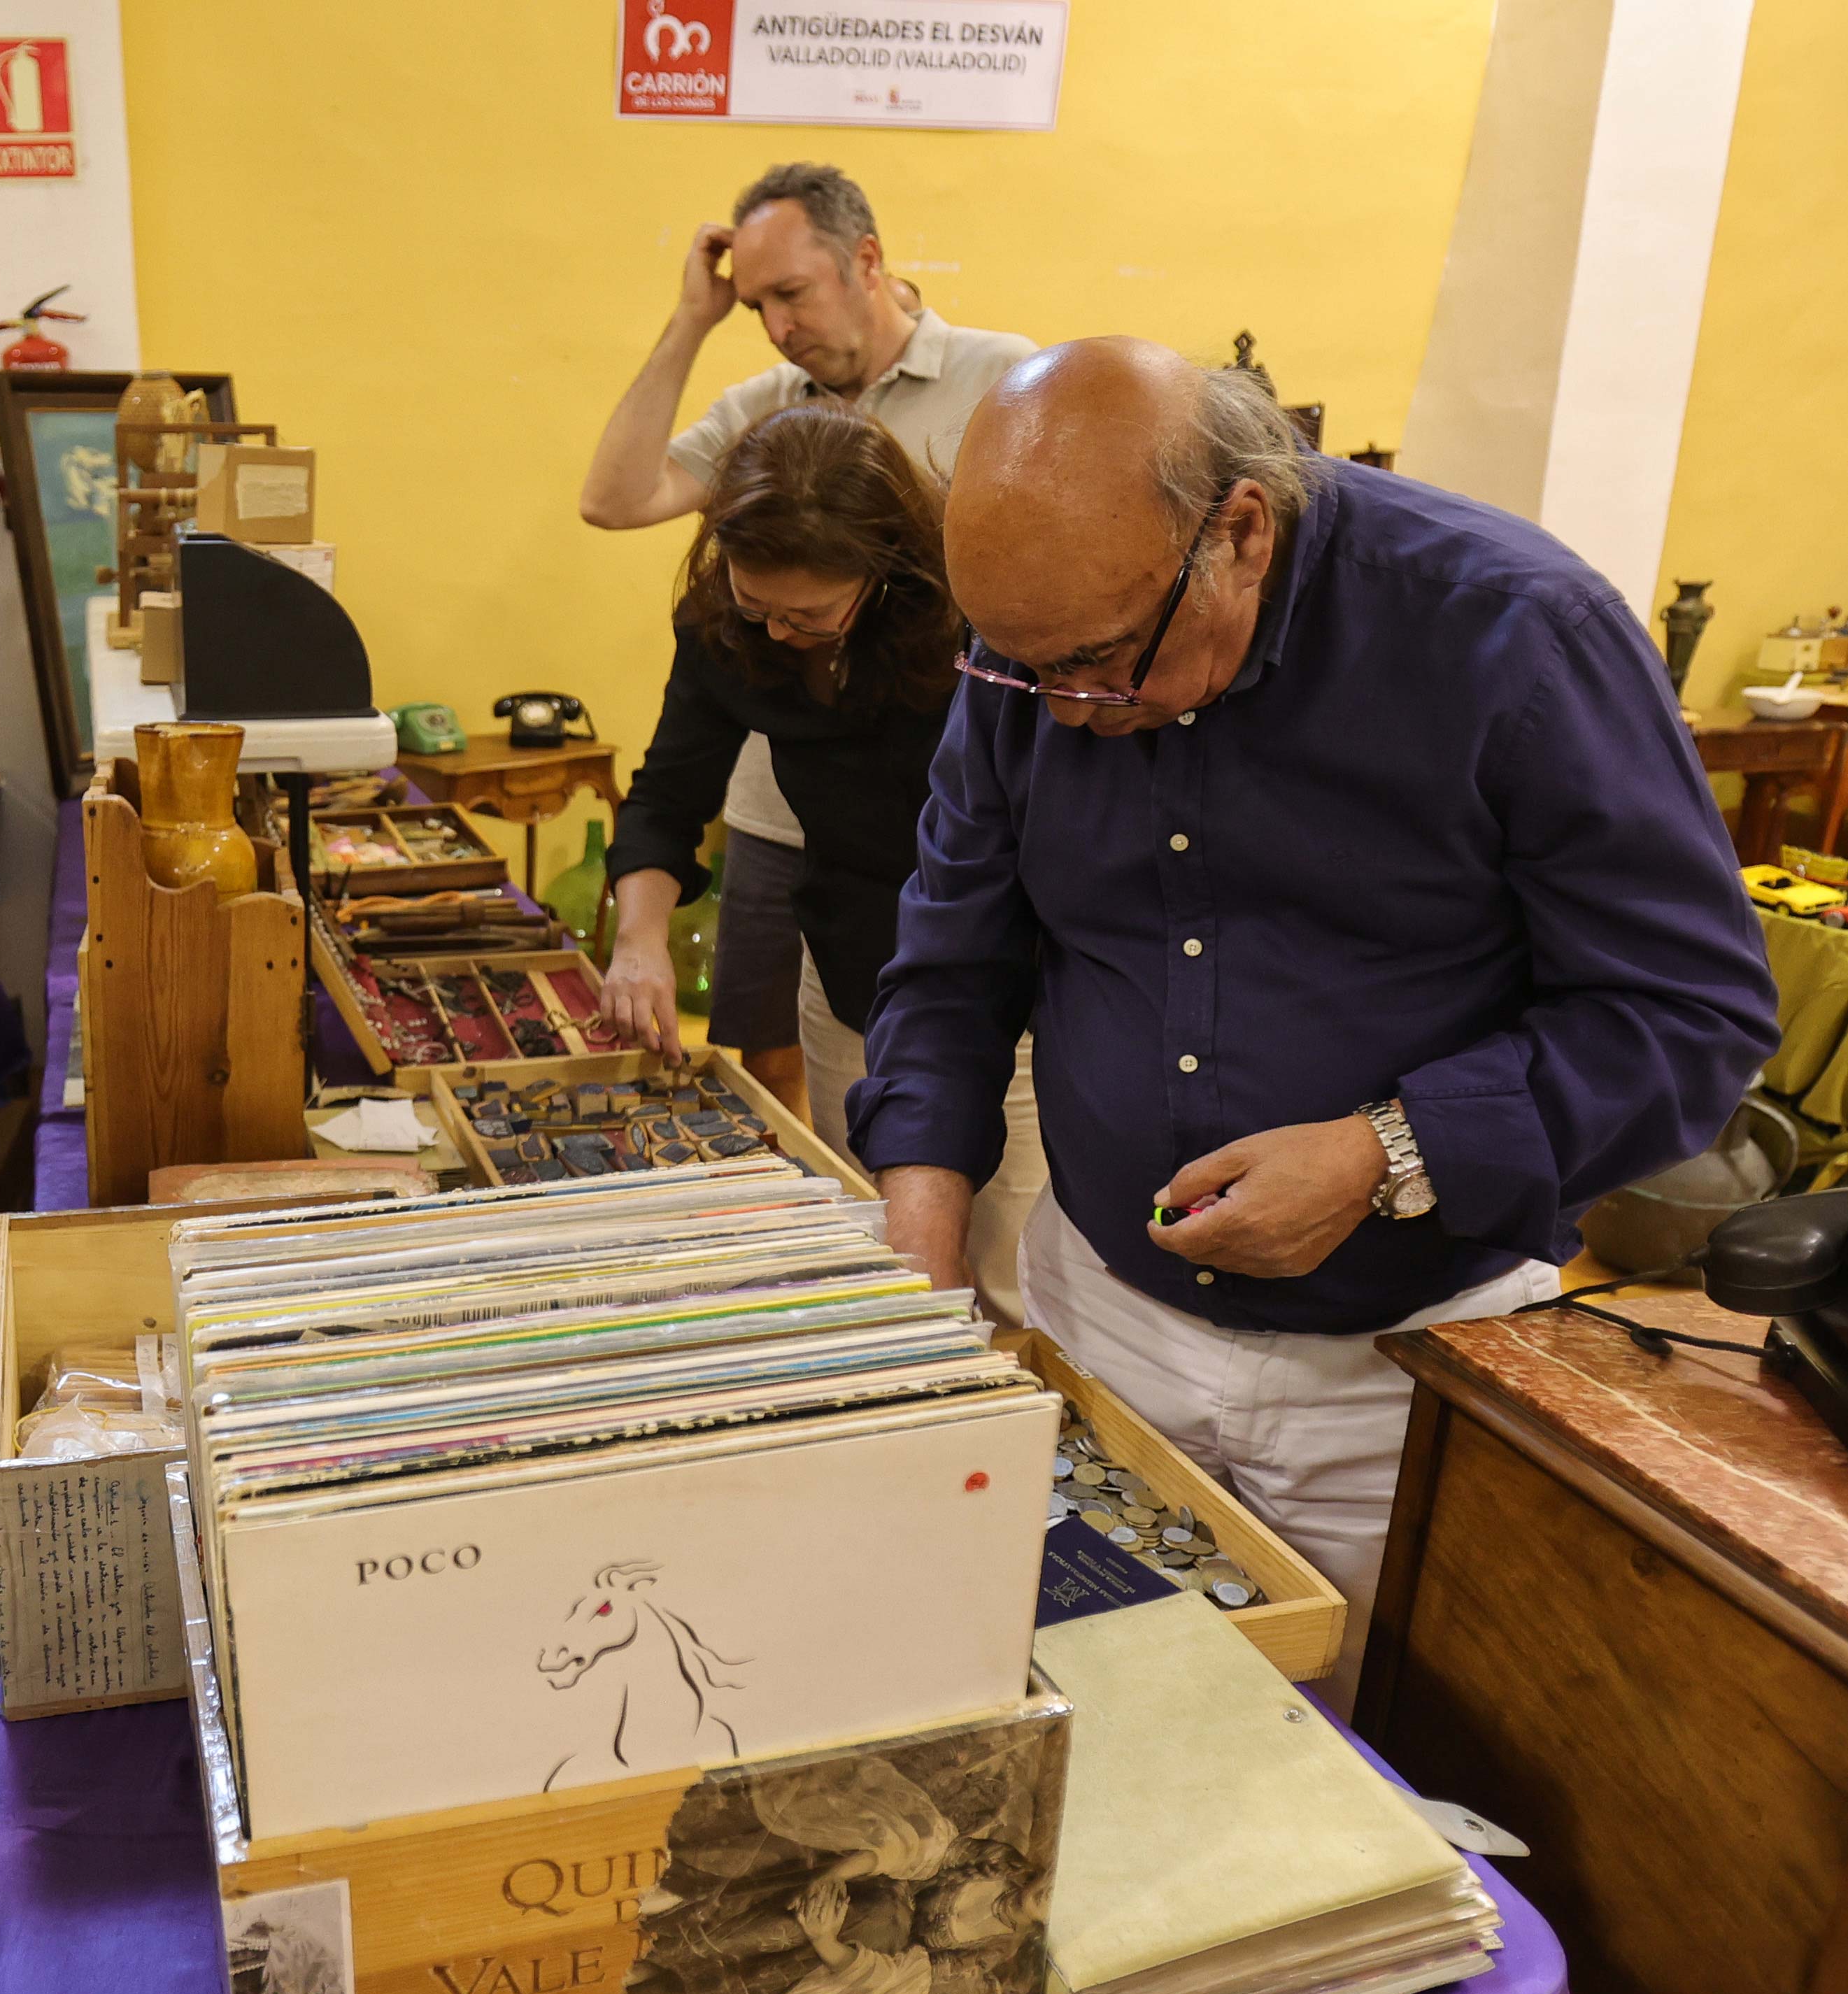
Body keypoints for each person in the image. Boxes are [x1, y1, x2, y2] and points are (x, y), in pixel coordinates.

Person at [849, 336, 1779, 1704]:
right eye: (1019, 668)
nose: (1067, 713)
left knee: (1355, 1770)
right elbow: (952, 953)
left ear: (1238, 531)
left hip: (1398, 1378)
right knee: (1080, 1721)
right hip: (1099, 1318)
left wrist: (1386, 1154)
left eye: (1102, 665)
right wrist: (921, 1247)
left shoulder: (1516, 636)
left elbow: (1689, 1015)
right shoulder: (1042, 650)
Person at [581, 161, 1035, 1123]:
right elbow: (614, 502)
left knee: (986, 1221)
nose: (779, 323)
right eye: (757, 305)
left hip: (992, 943)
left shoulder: (1002, 384)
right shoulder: (762, 421)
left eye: (790, 291)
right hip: (825, 894)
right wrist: (638, 939)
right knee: (839, 1138)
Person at [597, 404, 1044, 1323]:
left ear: (882, 570)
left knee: (1004, 1269)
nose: (773, 635)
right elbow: (667, 794)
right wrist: (638, 938)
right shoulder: (724, 625)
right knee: (878, 1236)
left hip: (1004, 975)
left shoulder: (976, 626)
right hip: (847, 961)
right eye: (754, 603)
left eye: (806, 614)